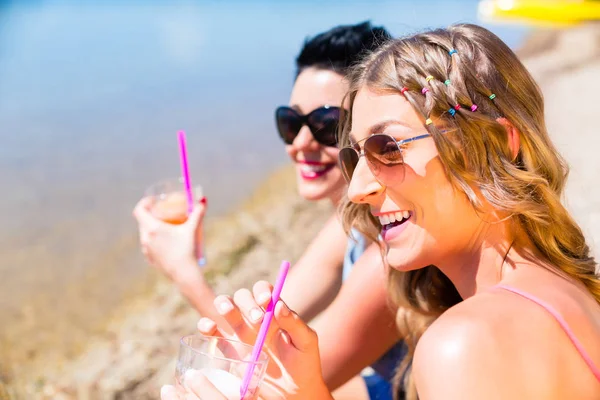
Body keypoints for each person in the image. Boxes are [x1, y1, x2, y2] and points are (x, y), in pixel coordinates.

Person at [165, 23, 600, 399]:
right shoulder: (568, 293)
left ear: (496, 144)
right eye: (356, 157)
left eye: (386, 149)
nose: (357, 190)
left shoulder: (465, 342)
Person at [135, 21, 410, 399]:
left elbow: (276, 382)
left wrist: (183, 272)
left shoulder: (396, 251)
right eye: (291, 122)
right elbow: (262, 329)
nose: (300, 143)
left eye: (326, 125)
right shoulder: (350, 218)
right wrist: (192, 261)